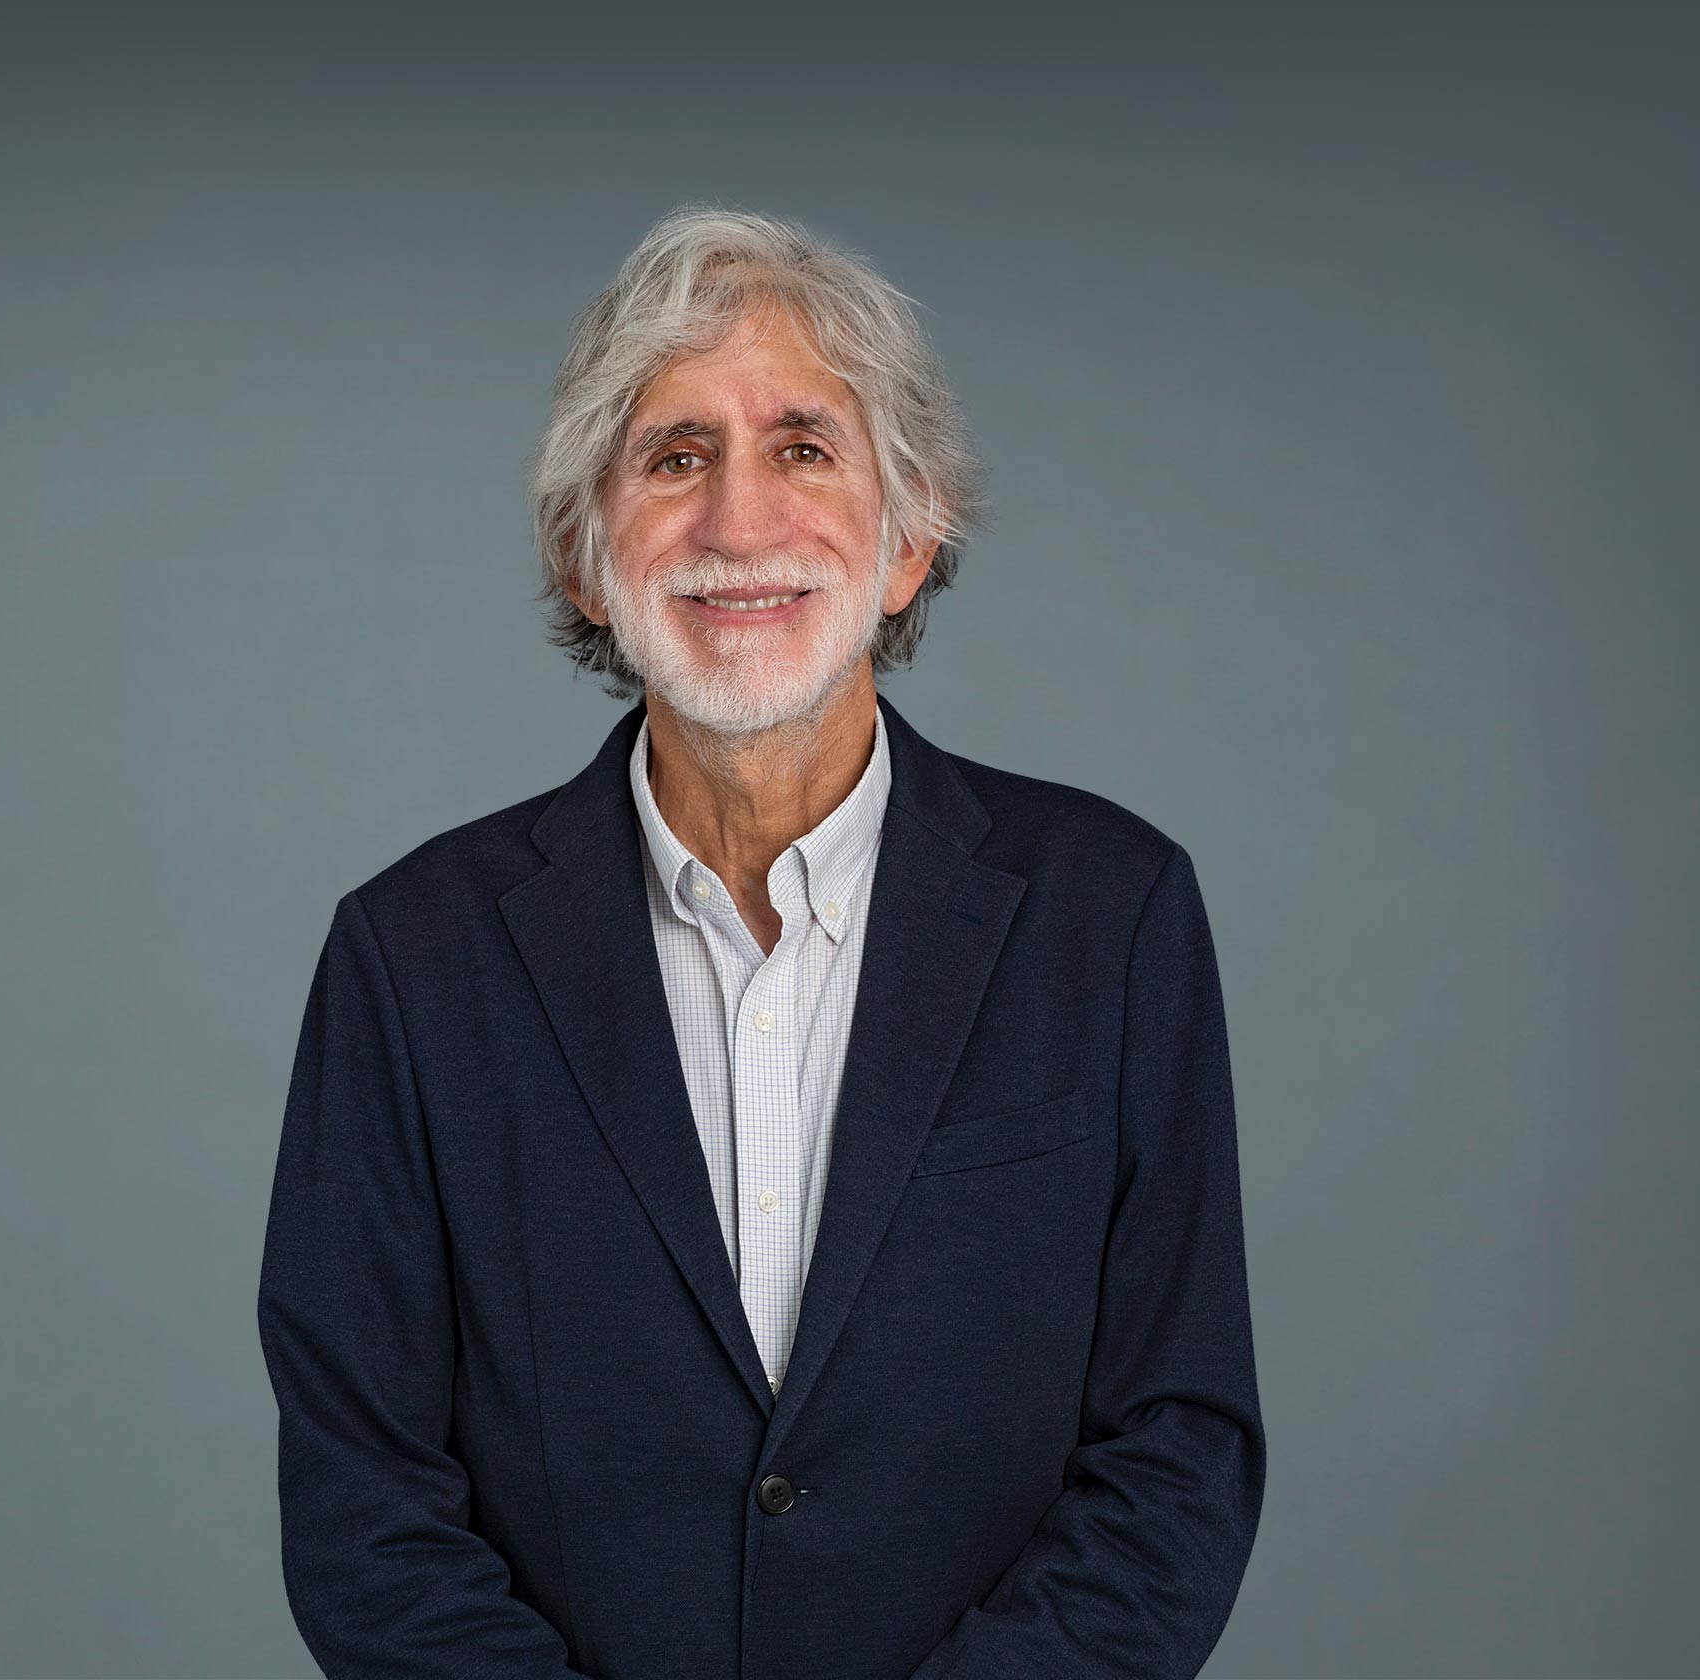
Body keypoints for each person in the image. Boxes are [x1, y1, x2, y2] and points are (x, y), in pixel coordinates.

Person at [256, 205, 1265, 1679]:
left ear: (909, 537)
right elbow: (365, 1508)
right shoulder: (409, 963)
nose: (740, 525)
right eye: (676, 457)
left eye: (803, 448)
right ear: (585, 556)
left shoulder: (1112, 918)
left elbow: (1178, 1452)